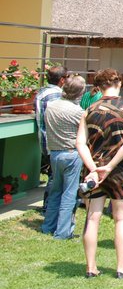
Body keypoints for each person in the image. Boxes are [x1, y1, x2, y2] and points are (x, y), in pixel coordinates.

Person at [76, 68, 123, 278]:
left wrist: (93, 168)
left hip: (93, 167)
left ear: (99, 86)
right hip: (119, 167)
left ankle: (91, 267)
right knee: (121, 218)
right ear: (119, 83)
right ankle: (121, 267)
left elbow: (80, 143)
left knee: (92, 218)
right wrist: (110, 166)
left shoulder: (89, 109)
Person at [41, 75, 86, 239]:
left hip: (54, 153)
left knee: (55, 191)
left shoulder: (51, 106)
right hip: (71, 153)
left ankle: (48, 226)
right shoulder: (77, 112)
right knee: (69, 194)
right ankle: (63, 231)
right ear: (80, 93)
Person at [35, 64, 66, 211]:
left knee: (52, 175)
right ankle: (48, 207)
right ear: (61, 80)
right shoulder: (56, 95)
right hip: (54, 142)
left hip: (45, 141)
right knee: (54, 178)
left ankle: (50, 206)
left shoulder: (42, 92)